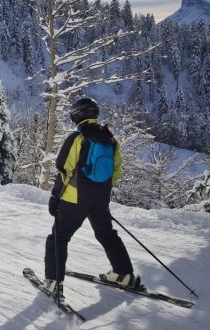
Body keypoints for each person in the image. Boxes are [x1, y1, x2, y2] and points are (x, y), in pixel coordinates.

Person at [42, 97, 139, 302]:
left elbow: (64, 171)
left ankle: (53, 281)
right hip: (100, 200)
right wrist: (100, 192)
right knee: (107, 235)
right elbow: (116, 171)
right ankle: (124, 274)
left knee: (58, 238)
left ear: (77, 115)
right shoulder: (111, 140)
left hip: (74, 199)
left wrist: (55, 197)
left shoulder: (77, 138)